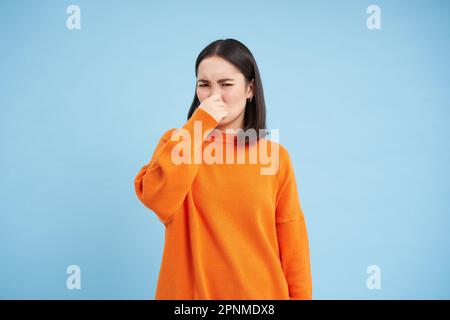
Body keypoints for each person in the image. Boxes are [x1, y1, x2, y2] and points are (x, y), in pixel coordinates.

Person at [134, 38, 312, 300]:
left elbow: (292, 241)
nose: (213, 95)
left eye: (226, 84)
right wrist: (200, 124)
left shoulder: (274, 157)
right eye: (204, 85)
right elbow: (156, 196)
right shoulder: (178, 144)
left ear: (250, 89)